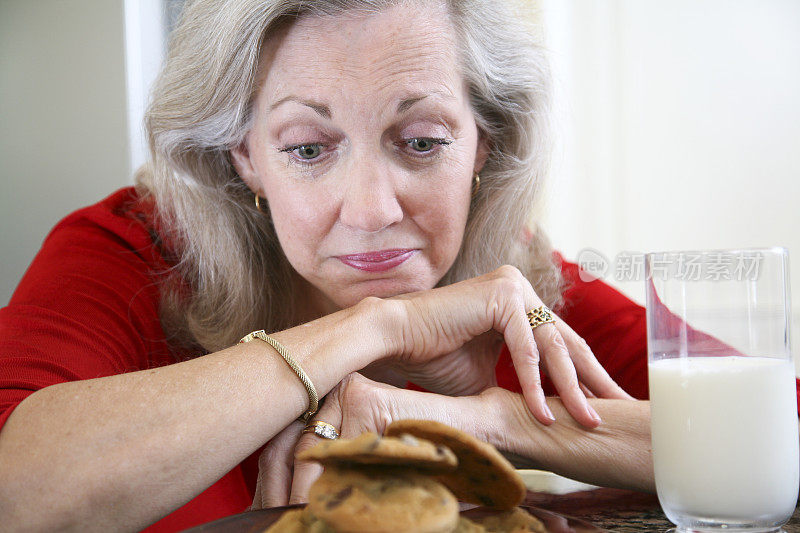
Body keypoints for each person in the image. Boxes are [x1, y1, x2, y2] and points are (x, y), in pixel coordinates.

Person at [1, 0, 795, 531]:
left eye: (421, 142)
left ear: (485, 141)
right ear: (243, 155)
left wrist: (493, 417)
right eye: (308, 149)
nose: (373, 206)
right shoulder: (131, 248)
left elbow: (779, 436)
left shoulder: (512, 270)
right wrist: (376, 325)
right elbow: (18, 489)